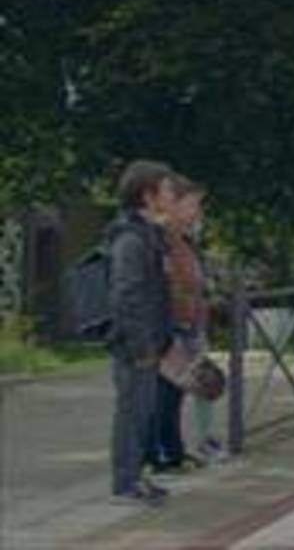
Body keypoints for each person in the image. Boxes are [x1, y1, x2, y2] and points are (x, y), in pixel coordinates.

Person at [106, 159, 178, 505]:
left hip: (151, 341)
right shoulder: (131, 239)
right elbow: (127, 295)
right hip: (136, 345)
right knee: (132, 413)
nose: (172, 195)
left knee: (143, 412)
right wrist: (141, 345)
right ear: (148, 196)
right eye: (167, 190)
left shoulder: (150, 234)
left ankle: (135, 476)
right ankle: (124, 484)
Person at [148, 175, 212, 472]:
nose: (197, 212)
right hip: (171, 322)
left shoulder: (184, 237)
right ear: (172, 204)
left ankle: (173, 449)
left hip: (187, 322)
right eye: (192, 204)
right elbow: (168, 282)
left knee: (176, 390)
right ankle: (163, 452)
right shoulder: (163, 237)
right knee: (165, 390)